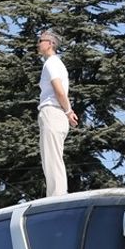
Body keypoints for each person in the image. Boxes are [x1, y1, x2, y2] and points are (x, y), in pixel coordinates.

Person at [37, 29, 78, 197]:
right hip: (57, 113)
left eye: (41, 41)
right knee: (53, 157)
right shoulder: (56, 64)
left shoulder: (51, 63)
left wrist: (68, 111)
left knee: (52, 158)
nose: (38, 44)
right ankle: (56, 194)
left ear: (51, 44)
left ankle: (56, 197)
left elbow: (59, 90)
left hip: (53, 112)